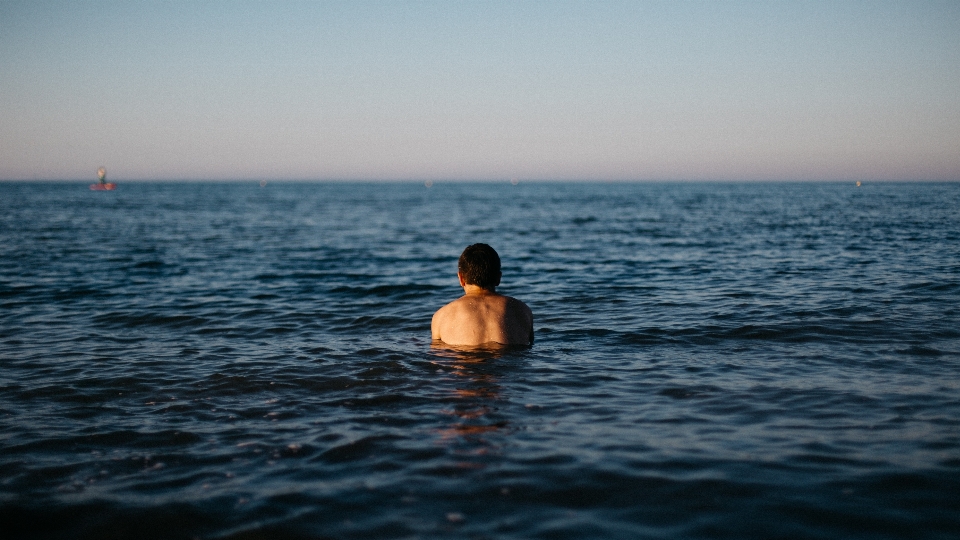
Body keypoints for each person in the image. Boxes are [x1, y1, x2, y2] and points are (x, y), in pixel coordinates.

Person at [431, 244, 533, 346]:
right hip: (509, 360)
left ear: (461, 278)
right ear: (498, 278)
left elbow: (438, 357)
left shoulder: (441, 316)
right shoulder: (523, 310)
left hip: (466, 359)